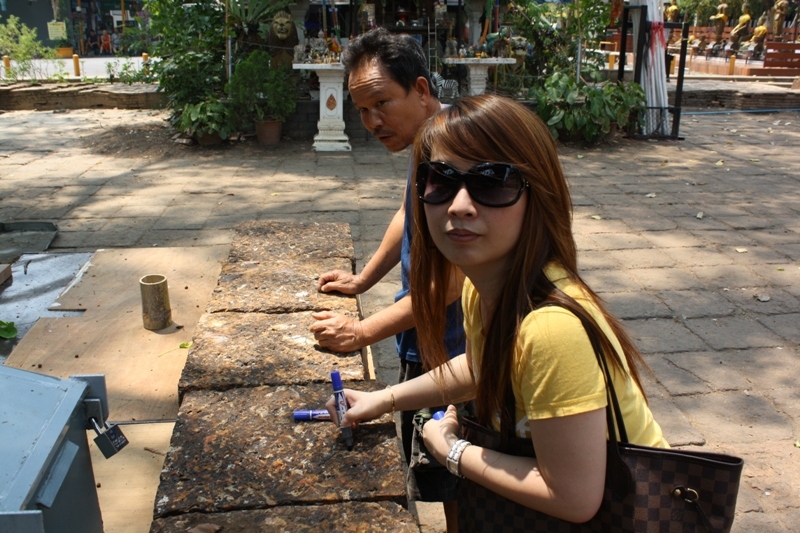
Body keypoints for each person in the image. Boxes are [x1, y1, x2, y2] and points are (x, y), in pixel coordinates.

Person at [327, 95, 668, 524]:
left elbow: (573, 496)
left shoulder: (549, 329)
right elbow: (481, 366)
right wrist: (385, 400)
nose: (460, 205)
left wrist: (452, 450)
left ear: (538, 194)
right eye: (441, 180)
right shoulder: (483, 286)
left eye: (492, 182)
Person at [309, 27, 465, 531]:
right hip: (425, 338)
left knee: (456, 474)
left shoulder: (452, 152)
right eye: (361, 110)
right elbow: (408, 214)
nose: (372, 121)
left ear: (420, 90)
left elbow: (448, 286)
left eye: (381, 103)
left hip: (456, 347)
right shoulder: (429, 142)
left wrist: (359, 333)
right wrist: (363, 280)